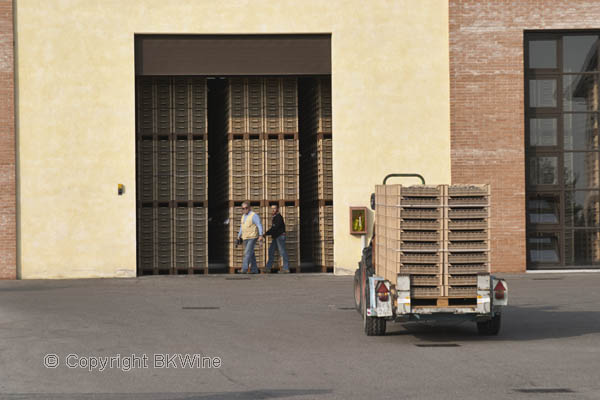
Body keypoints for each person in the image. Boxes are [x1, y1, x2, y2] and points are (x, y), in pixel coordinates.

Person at [236, 201, 263, 274]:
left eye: (246, 208)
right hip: (245, 237)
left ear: (249, 208)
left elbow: (259, 225)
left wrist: (260, 235)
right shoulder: (243, 216)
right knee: (251, 254)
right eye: (243, 208)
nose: (244, 210)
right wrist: (239, 236)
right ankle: (254, 270)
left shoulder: (254, 215)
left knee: (247, 253)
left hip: (252, 237)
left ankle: (244, 269)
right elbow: (242, 227)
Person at [264, 204, 290, 273]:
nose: (273, 210)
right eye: (272, 208)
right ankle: (268, 268)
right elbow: (274, 228)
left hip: (280, 237)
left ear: (277, 209)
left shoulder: (278, 217)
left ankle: (286, 268)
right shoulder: (275, 217)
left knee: (282, 252)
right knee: (271, 251)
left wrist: (266, 233)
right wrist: (267, 233)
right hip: (276, 237)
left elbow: (275, 228)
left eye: (274, 208)